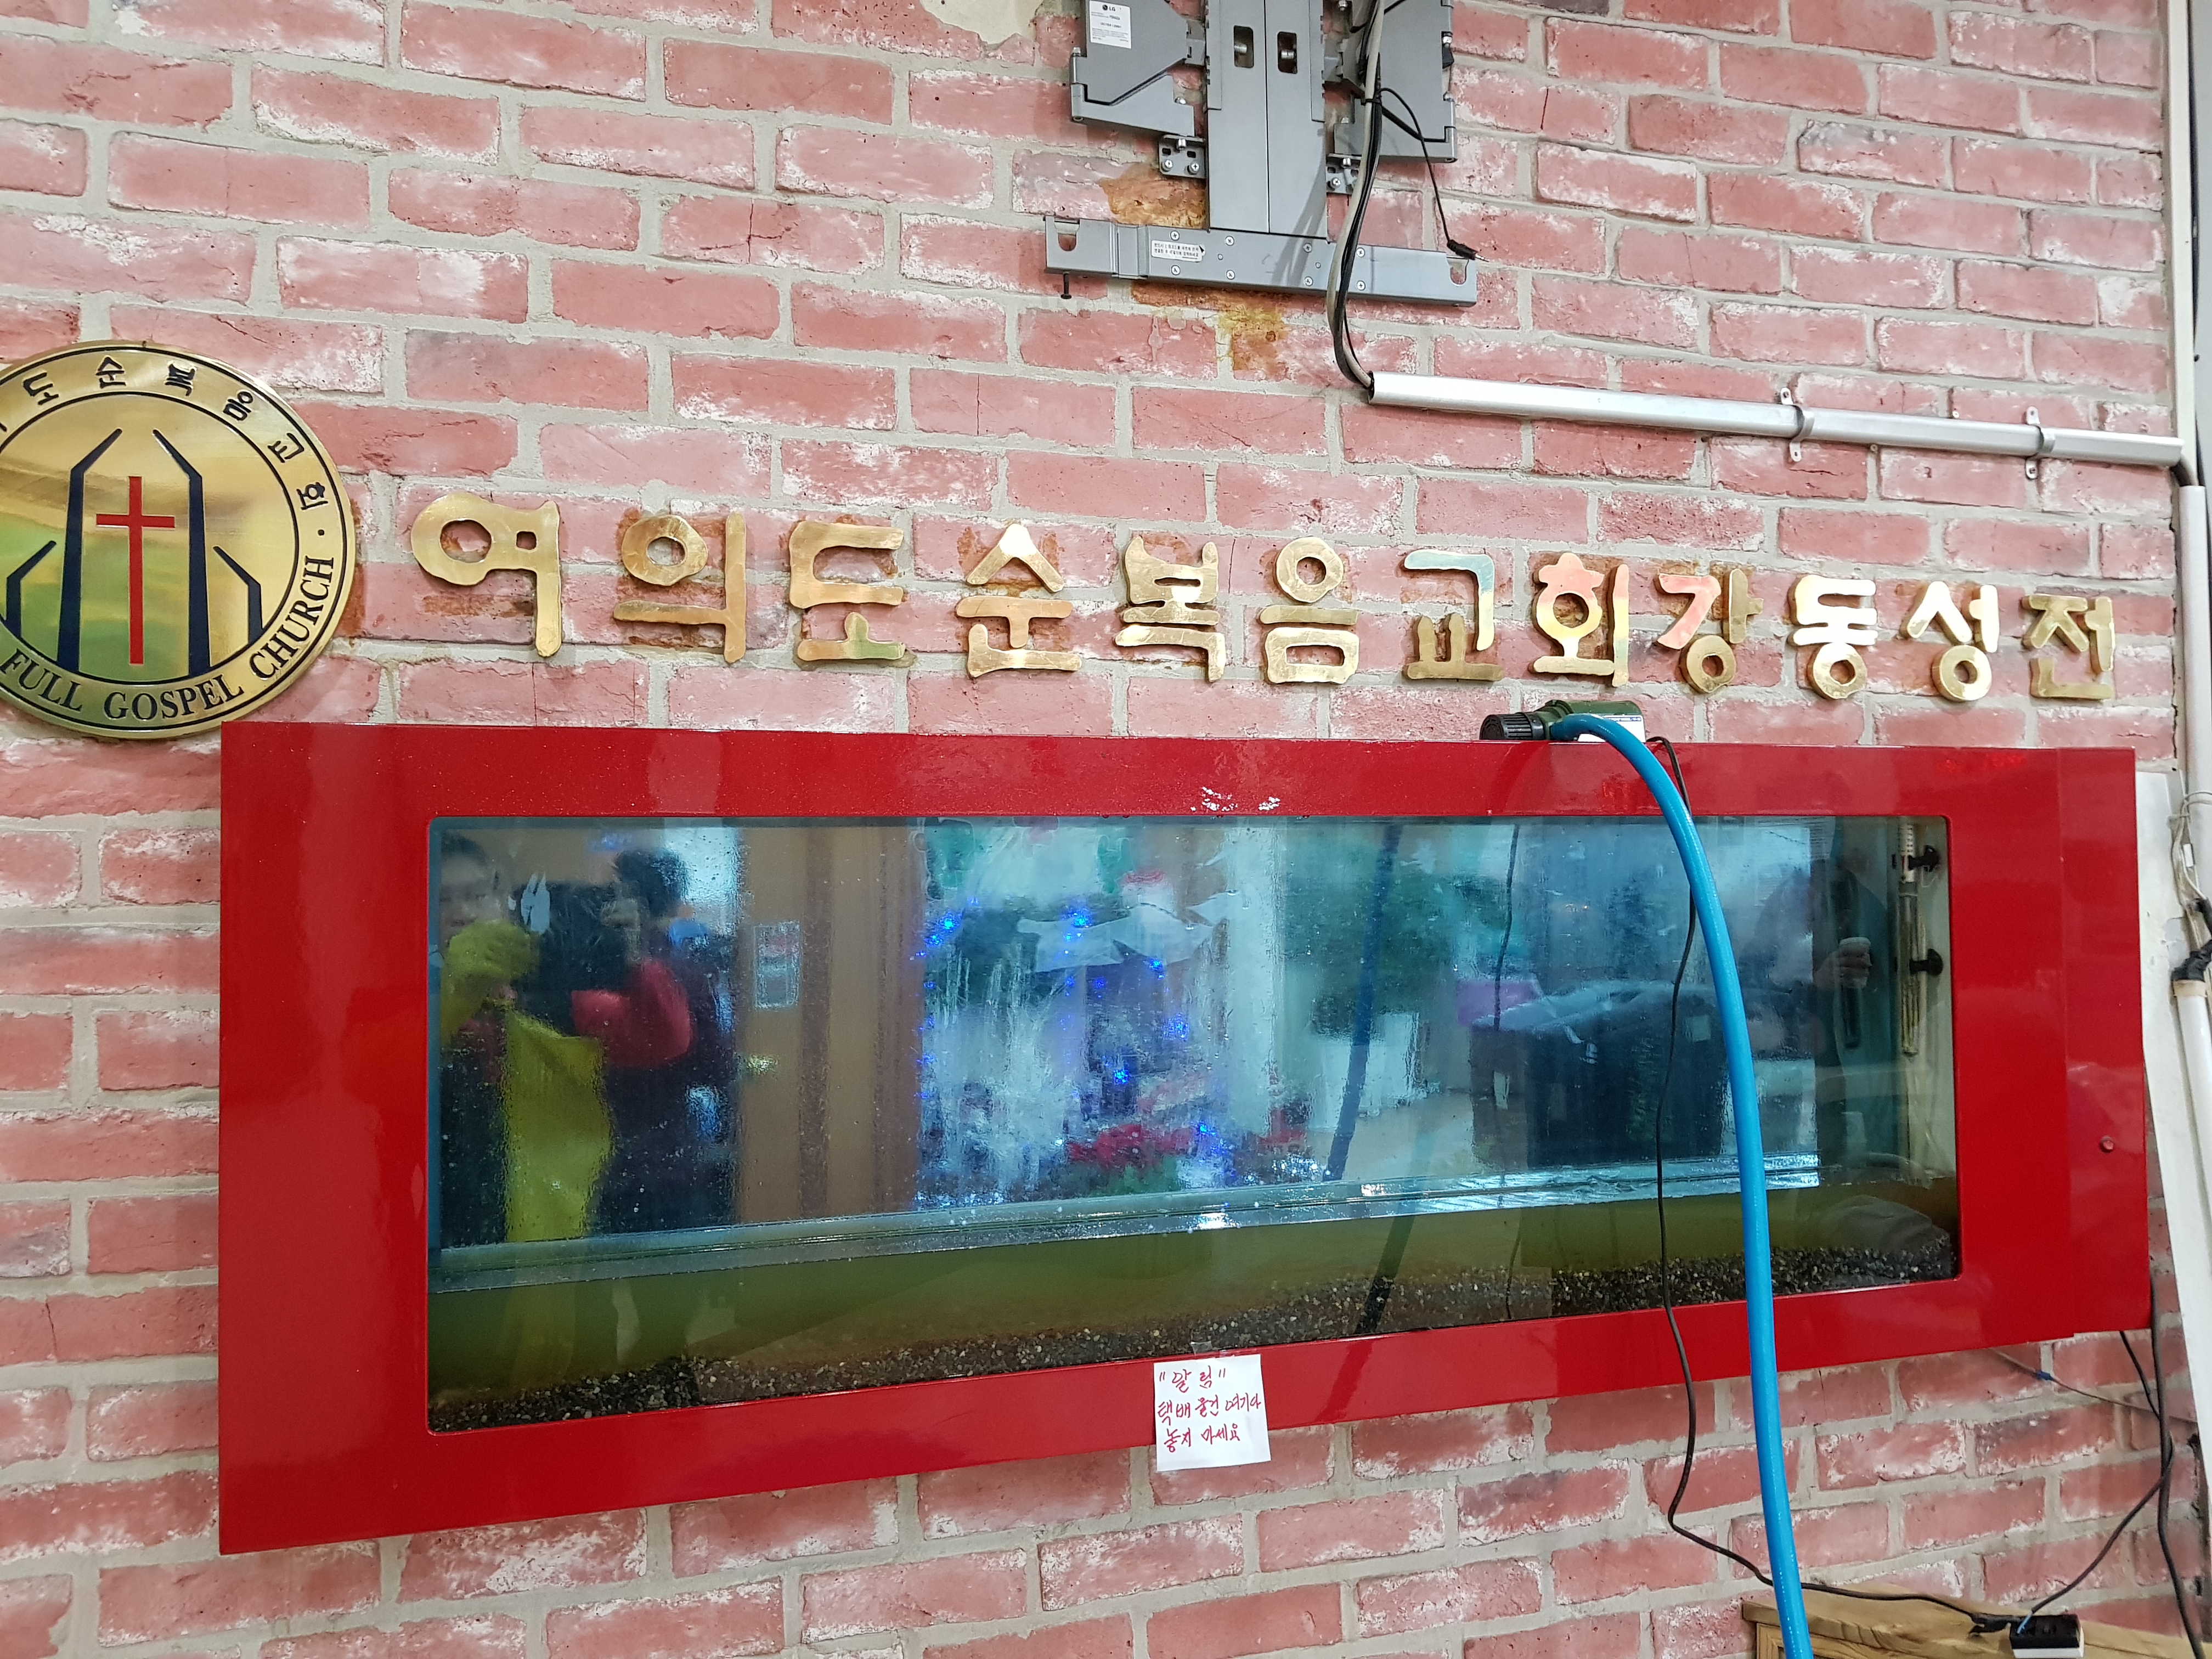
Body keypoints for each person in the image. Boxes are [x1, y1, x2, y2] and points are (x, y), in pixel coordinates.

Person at [433, 834, 694, 1248]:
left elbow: (665, 1037)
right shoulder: (403, 1001)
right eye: (442, 900)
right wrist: (452, 993)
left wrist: (634, 961)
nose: (462, 914)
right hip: (439, 1228)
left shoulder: (552, 1001)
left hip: (551, 1233)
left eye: (476, 895)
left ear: (503, 902)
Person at [592, 849, 738, 1234]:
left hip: (602, 1148)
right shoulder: (691, 968)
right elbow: (718, 1067)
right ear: (675, 902)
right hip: (673, 1150)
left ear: (626, 898)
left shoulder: (603, 967)